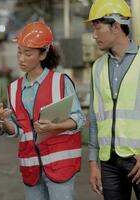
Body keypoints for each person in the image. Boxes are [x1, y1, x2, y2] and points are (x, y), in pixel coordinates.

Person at [0, 21, 85, 200]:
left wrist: (53, 126)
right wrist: (5, 121)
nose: (21, 58)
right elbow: (19, 131)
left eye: (27, 53)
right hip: (31, 166)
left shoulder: (60, 82)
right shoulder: (13, 88)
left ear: (43, 54)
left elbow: (79, 119)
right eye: (19, 52)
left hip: (60, 165)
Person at [87, 0, 140, 199]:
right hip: (109, 162)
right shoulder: (97, 67)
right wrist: (93, 163)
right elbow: (94, 117)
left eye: (98, 27)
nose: (94, 35)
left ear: (116, 26)